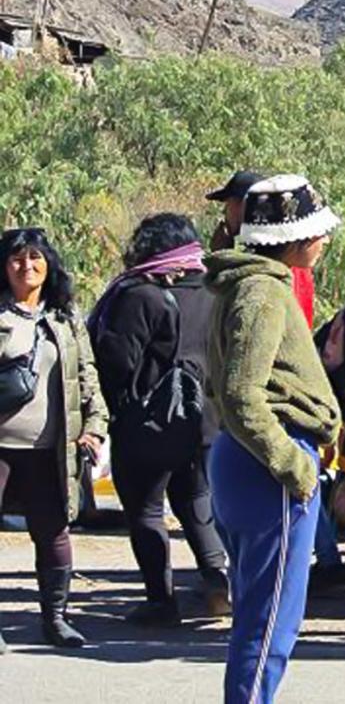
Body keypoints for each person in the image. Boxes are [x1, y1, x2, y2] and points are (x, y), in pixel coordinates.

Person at [203, 177, 343, 702]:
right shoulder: (263, 292)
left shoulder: (253, 284)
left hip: (246, 461)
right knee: (268, 626)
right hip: (267, 465)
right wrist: (292, 463)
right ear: (293, 236)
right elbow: (242, 393)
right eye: (317, 231)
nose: (324, 240)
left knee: (259, 617)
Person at [87, 213, 230, 626]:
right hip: (206, 421)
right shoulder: (216, 292)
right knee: (195, 500)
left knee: (147, 511)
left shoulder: (138, 296)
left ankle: (160, 601)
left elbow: (117, 362)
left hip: (150, 423)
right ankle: (217, 582)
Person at [0, 228, 106, 652]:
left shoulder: (65, 317)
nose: (27, 266)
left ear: (49, 263)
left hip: (51, 448)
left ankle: (56, 619)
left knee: (54, 532)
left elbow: (88, 376)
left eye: (35, 257)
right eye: (16, 259)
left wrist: (95, 426)